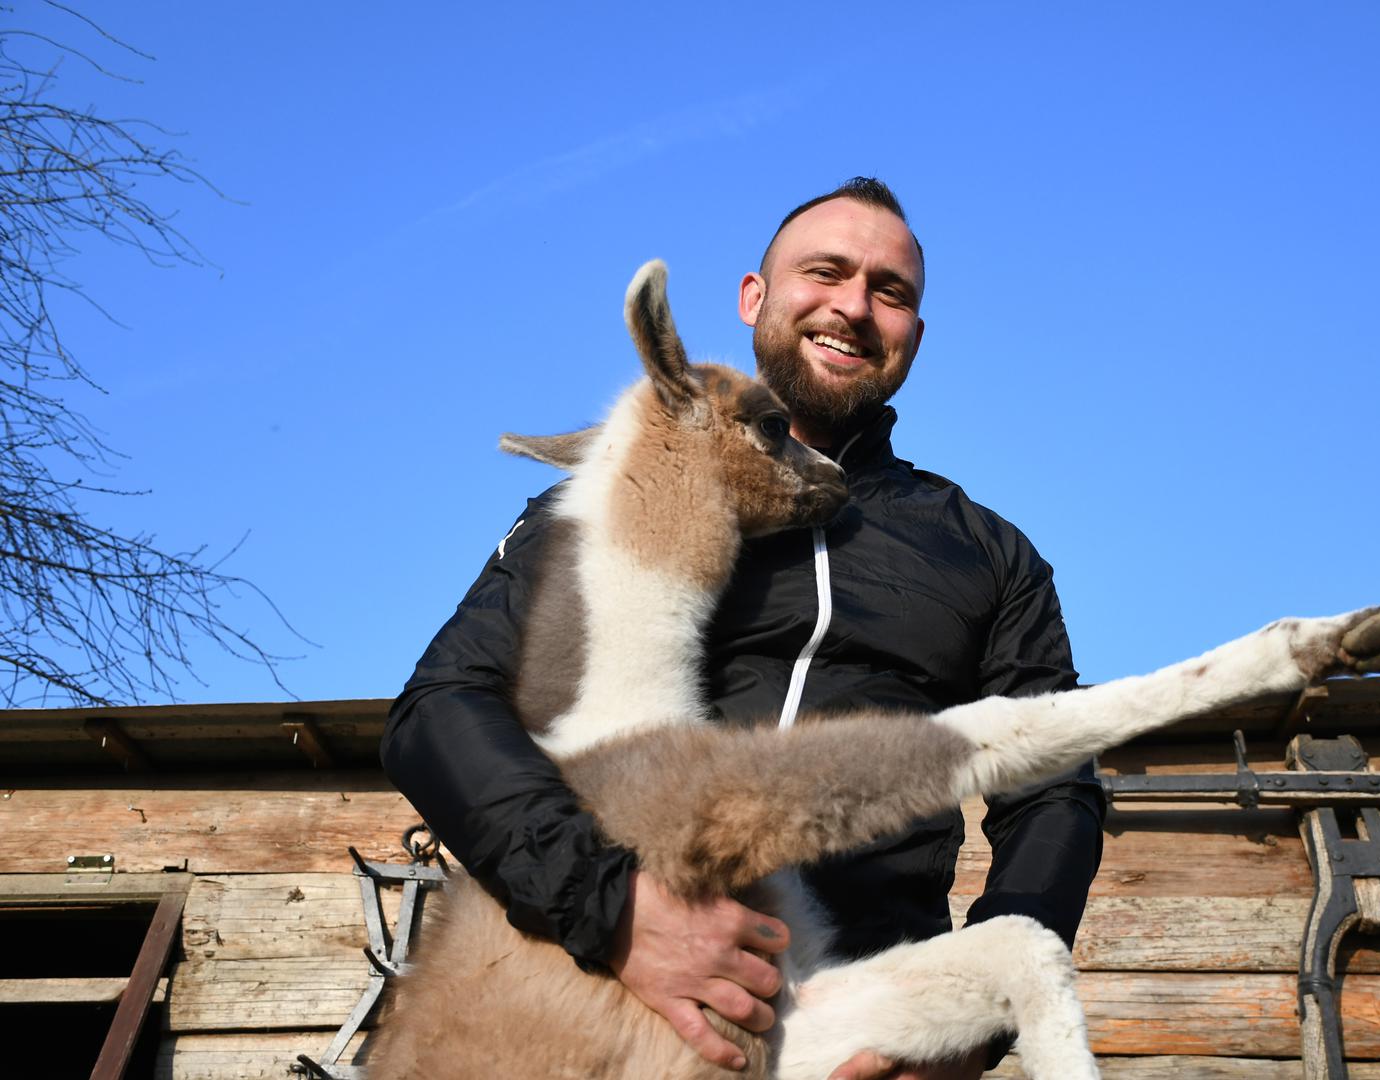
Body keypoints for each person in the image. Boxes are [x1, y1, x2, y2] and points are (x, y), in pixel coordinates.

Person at [381, 177, 1106, 1080]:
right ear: (753, 298)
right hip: (587, 1006)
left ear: (914, 332)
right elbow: (443, 707)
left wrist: (972, 1019)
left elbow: (1051, 789)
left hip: (854, 1035)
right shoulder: (614, 499)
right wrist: (613, 909)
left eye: (891, 292)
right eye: (826, 272)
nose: (853, 306)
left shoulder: (988, 554)